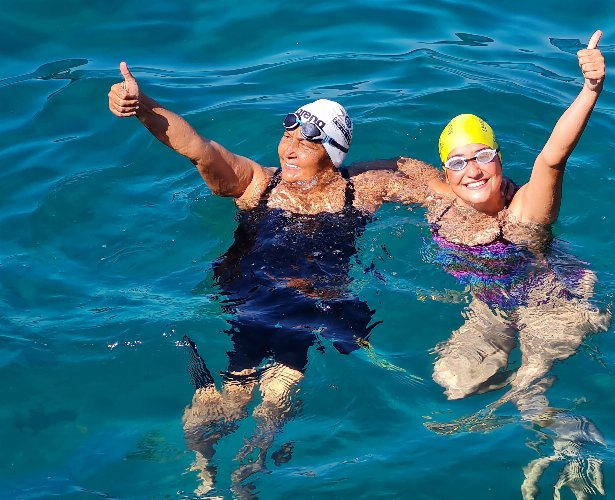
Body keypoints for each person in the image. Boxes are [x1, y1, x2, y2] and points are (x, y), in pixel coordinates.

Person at [107, 62, 434, 496]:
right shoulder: (257, 183)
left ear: (333, 154)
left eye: (306, 142)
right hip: (252, 297)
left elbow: (440, 190)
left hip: (314, 304)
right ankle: (205, 472)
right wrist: (143, 105)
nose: (290, 149)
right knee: (237, 394)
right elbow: (199, 149)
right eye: (287, 137)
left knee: (278, 392)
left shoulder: (364, 190)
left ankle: (248, 467)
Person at [393, 30, 610, 498]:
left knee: (528, 389)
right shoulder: (440, 200)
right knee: (453, 383)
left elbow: (553, 158)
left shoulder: (526, 209)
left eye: (483, 156)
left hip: (552, 301)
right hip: (491, 303)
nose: (472, 170)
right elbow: (389, 173)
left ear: (499, 159)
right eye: (458, 162)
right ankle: (534, 427)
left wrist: (590, 90)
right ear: (446, 172)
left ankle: (569, 436)